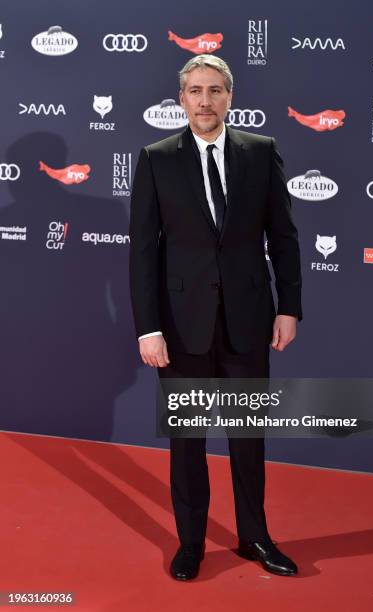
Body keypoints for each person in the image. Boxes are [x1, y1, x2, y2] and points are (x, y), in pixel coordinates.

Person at [129, 54, 302, 581]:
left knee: (248, 437)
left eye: (215, 91)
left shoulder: (261, 151)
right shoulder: (156, 157)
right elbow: (143, 251)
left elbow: (285, 236)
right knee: (189, 442)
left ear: (231, 96)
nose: (205, 101)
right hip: (181, 327)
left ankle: (255, 536)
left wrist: (289, 306)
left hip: (249, 318)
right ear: (181, 99)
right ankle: (191, 543)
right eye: (196, 91)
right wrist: (148, 326)